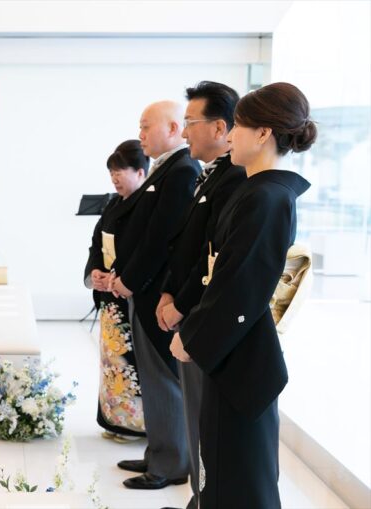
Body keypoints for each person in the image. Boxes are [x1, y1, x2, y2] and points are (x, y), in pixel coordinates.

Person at [170, 82, 315, 508]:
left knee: (240, 475)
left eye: (238, 126)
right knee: (226, 466)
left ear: (264, 133)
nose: (229, 136)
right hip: (235, 348)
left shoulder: (268, 197)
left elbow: (241, 286)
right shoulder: (257, 191)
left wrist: (192, 336)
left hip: (243, 355)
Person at [155, 81, 246, 509]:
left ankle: (204, 497)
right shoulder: (210, 175)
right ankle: (199, 497)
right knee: (196, 415)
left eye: (190, 122)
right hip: (186, 307)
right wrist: (168, 292)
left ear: (220, 127)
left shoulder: (236, 179)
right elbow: (186, 246)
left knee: (204, 419)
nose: (185, 131)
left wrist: (178, 302)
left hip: (200, 314)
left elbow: (211, 259)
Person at [109, 101, 200, 490]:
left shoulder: (182, 170)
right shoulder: (167, 168)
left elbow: (161, 239)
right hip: (143, 289)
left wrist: (131, 280)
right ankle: (158, 451)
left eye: (146, 126)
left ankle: (171, 463)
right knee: (151, 378)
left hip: (154, 291)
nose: (140, 134)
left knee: (163, 379)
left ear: (173, 128)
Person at [84, 141, 148, 443]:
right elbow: (96, 244)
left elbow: (144, 252)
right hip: (110, 297)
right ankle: (114, 419)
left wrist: (120, 278)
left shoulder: (147, 207)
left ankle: (135, 425)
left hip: (130, 293)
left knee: (131, 362)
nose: (114, 178)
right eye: (111, 172)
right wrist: (94, 273)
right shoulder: (113, 204)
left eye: (120, 172)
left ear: (140, 172)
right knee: (112, 362)